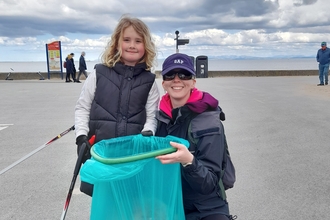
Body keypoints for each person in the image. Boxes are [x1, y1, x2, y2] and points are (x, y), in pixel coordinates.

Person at [74, 15, 160, 196]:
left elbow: (152, 116)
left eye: (138, 41)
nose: (132, 45)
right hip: (101, 152)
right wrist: (81, 136)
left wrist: (148, 132)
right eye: (126, 40)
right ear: (116, 43)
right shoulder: (99, 73)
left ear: (146, 46)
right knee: (103, 200)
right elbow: (83, 107)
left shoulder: (149, 81)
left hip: (133, 155)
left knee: (131, 202)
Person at [155, 53, 235, 220]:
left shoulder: (210, 122)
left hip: (205, 206)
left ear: (193, 82)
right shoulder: (155, 120)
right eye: (170, 75)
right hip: (167, 203)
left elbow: (209, 183)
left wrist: (189, 161)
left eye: (184, 74)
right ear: (163, 83)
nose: (177, 79)